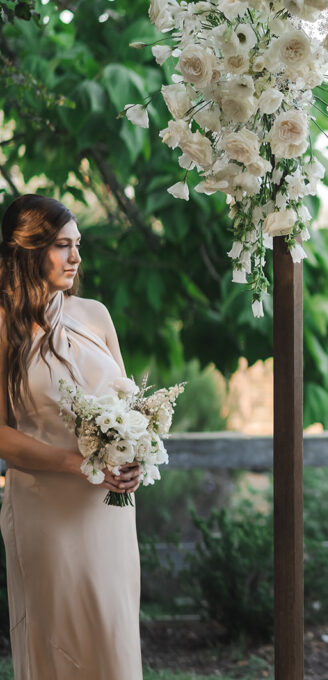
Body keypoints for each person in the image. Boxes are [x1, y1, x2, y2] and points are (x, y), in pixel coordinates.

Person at [0, 194, 143, 679]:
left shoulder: (96, 315)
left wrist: (133, 459)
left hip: (109, 515)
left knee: (112, 638)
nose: (76, 257)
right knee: (58, 639)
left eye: (77, 244)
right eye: (62, 245)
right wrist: (78, 466)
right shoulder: (3, 327)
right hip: (45, 511)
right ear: (29, 249)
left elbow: (130, 411)